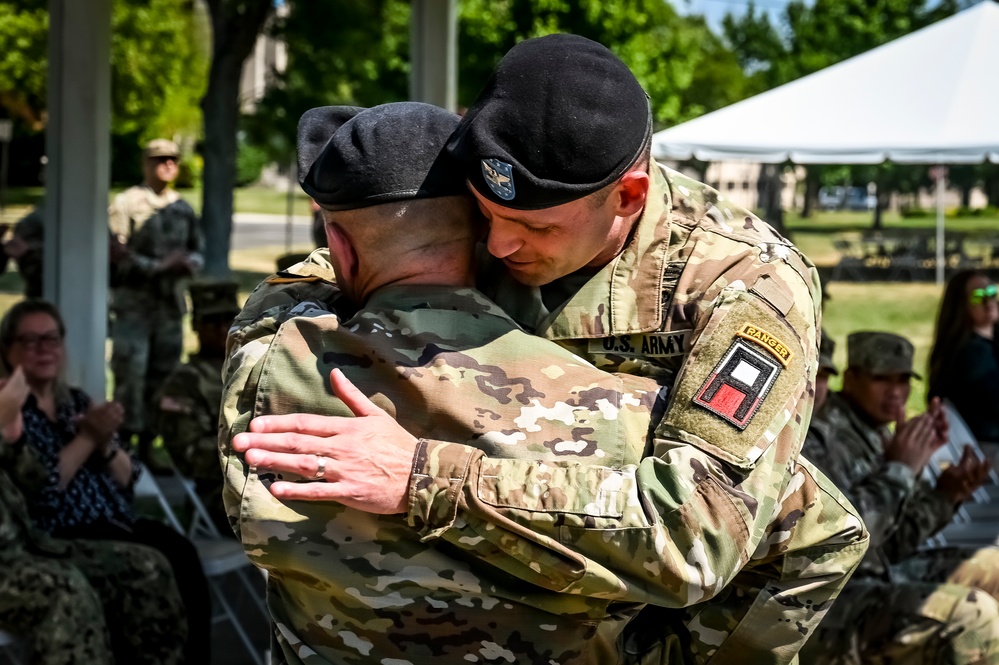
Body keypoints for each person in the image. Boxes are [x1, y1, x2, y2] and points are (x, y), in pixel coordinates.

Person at [228, 34, 869, 665]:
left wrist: (426, 477)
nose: (499, 247)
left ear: (628, 198)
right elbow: (350, 264)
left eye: (535, 227)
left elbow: (694, 537)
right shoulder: (503, 200)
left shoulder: (745, 289)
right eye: (483, 216)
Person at [0, 299, 212, 665]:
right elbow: (43, 492)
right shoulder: (13, 414)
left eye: (51, 339)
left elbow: (130, 478)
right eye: (30, 341)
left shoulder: (76, 402)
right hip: (65, 529)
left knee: (182, 554)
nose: (43, 349)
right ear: (8, 350)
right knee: (152, 567)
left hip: (115, 518)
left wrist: (104, 445)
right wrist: (85, 439)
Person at [802, 331, 999, 664]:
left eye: (903, 379)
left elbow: (892, 544)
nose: (895, 391)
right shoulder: (820, 436)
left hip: (872, 578)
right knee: (972, 617)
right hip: (825, 602)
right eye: (882, 379)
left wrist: (945, 496)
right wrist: (901, 469)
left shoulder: (877, 431)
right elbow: (844, 543)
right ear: (851, 379)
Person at [109, 138, 203, 461]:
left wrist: (189, 263)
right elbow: (115, 253)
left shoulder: (182, 207)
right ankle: (122, 447)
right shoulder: (126, 203)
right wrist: (158, 266)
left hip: (169, 306)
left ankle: (151, 446)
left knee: (164, 375)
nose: (168, 165)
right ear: (145, 164)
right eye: (160, 159)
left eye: (173, 160)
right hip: (134, 305)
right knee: (130, 374)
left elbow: (197, 250)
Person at [158, 280, 241, 533]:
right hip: (222, 495)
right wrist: (251, 450)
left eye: (229, 319)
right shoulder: (184, 383)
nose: (222, 328)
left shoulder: (252, 368)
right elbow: (189, 457)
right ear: (195, 325)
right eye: (212, 321)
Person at [929, 270, 999, 443]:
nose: (988, 302)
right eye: (977, 297)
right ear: (961, 305)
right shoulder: (974, 353)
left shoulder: (984, 345)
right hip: (987, 447)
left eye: (992, 293)